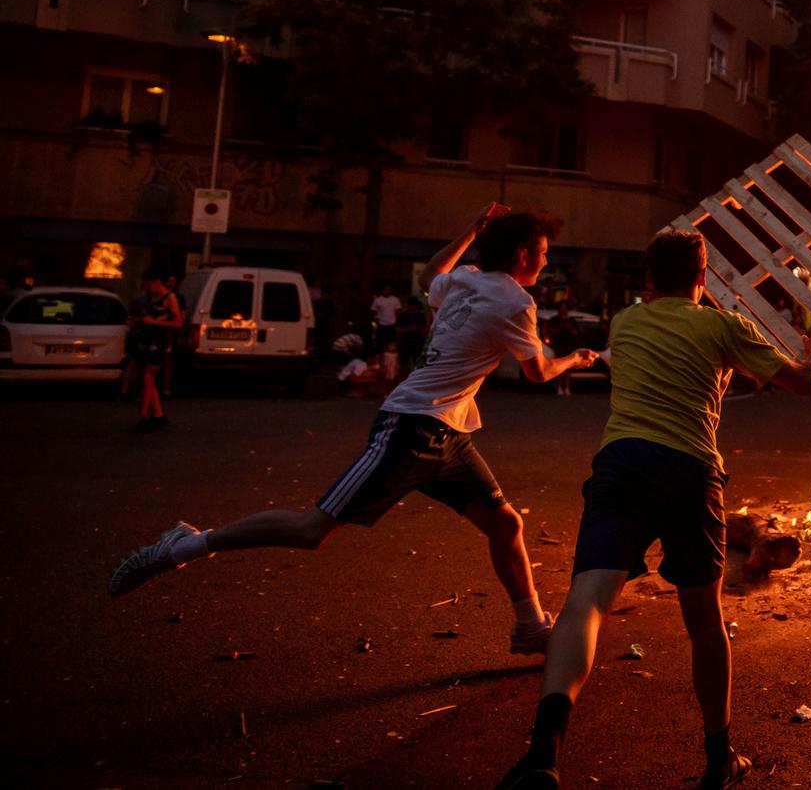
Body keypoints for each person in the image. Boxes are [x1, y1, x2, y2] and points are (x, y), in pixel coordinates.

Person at [108, 205, 598, 660]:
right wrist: (575, 359)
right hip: (411, 429)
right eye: (544, 254)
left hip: (446, 433)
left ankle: (531, 626)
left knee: (506, 524)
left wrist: (473, 227)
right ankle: (183, 545)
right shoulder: (515, 301)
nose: (546, 262)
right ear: (523, 255)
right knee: (311, 530)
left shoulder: (466, 281)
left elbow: (431, 273)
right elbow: (537, 373)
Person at [496, 228, 811, 790]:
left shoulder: (625, 323)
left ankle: (543, 754)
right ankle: (718, 756)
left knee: (587, 604)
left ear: (647, 279)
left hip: (621, 463)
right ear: (702, 278)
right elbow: (804, 385)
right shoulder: (723, 326)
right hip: (690, 471)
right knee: (704, 622)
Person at [127, 269, 182, 434]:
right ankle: (158, 415)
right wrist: (137, 321)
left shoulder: (169, 298)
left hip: (158, 343)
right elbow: (148, 319)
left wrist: (154, 323)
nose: (146, 288)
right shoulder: (151, 297)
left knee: (147, 379)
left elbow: (177, 323)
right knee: (145, 379)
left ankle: (143, 417)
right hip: (145, 341)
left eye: (147, 284)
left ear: (156, 282)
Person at [370, 283, 404, 381]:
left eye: (389, 289)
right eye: (385, 289)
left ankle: (393, 364)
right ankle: (381, 363)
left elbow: (398, 311)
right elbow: (374, 311)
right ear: (382, 290)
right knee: (380, 345)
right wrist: (376, 321)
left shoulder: (395, 299)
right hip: (381, 324)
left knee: (392, 345)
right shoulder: (378, 300)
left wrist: (396, 322)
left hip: (392, 324)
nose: (387, 291)